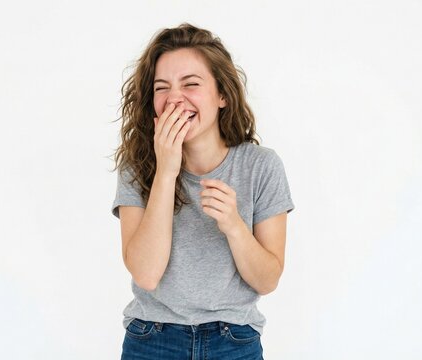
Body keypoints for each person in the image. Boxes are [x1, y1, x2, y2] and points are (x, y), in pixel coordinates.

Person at [111, 23, 295, 359]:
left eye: (191, 84)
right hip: (152, 340)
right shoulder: (137, 167)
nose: (174, 99)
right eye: (162, 87)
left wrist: (235, 227)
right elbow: (146, 274)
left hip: (234, 342)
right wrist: (166, 171)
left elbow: (267, 281)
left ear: (222, 95)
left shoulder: (261, 167)